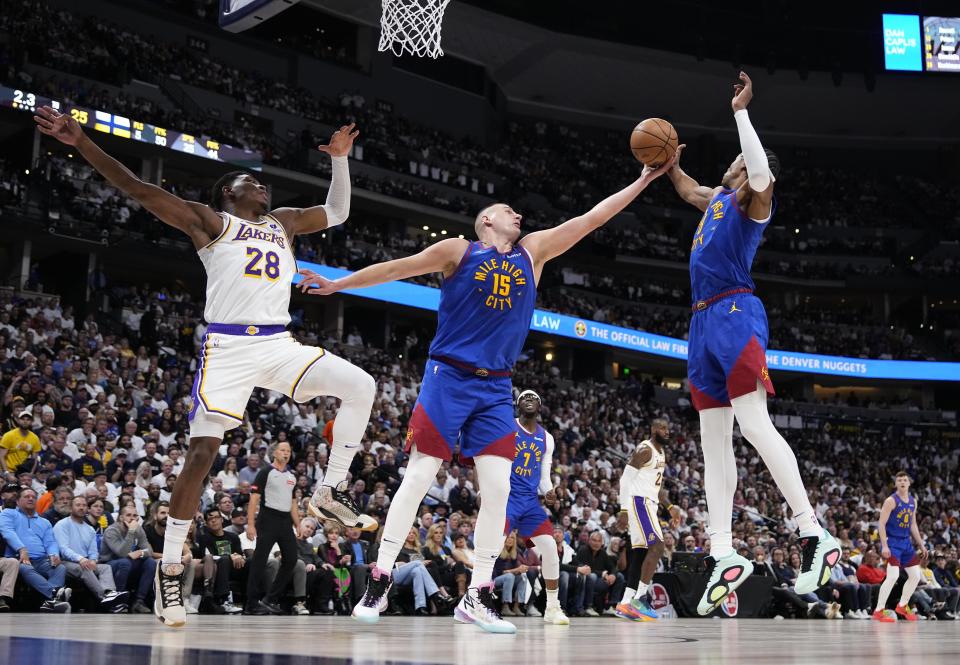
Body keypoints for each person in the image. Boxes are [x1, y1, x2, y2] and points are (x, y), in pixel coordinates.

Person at [300, 148, 677, 634]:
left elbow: (591, 218)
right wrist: (338, 284)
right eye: (507, 210)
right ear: (486, 222)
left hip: (497, 389)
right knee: (418, 477)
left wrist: (644, 179)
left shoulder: (533, 252)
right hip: (447, 378)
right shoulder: (458, 249)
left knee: (498, 489)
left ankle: (478, 594)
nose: (517, 214)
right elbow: (398, 267)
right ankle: (379, 578)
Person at [33, 105, 376, 628]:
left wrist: (341, 161)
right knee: (201, 454)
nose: (260, 185)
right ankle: (171, 570)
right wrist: (81, 141)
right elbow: (138, 189)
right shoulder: (210, 222)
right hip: (229, 348)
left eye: (261, 182)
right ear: (227, 194)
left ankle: (330, 489)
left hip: (279, 343)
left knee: (362, 385)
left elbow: (338, 211)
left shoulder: (282, 223)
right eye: (248, 181)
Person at [663, 71, 840, 614]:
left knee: (753, 422)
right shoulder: (716, 198)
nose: (733, 165)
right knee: (712, 438)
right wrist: (668, 166)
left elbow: (760, 171)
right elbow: (690, 189)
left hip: (737, 313)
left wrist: (741, 114)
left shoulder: (755, 202)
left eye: (738, 161)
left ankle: (813, 533)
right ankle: (723, 550)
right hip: (700, 323)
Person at [505, 389, 568, 624]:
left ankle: (552, 607)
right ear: (517, 405)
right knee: (491, 548)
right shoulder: (507, 426)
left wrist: (549, 491)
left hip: (530, 502)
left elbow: (544, 477)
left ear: (539, 406)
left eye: (534, 398)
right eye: (524, 398)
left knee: (550, 548)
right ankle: (474, 598)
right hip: (507, 497)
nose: (529, 400)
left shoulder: (546, 438)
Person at [615, 418, 680, 622]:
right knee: (658, 548)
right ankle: (640, 599)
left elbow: (657, 487)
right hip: (639, 503)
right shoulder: (645, 449)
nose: (666, 431)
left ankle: (625, 604)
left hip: (649, 502)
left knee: (640, 554)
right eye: (662, 428)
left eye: (668, 428)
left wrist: (669, 507)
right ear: (652, 430)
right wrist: (623, 509)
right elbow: (625, 479)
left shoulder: (661, 453)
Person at [246, 441, 301, 615]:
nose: (286, 453)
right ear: (275, 453)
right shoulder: (265, 472)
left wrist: (298, 523)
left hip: (285, 521)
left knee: (291, 559)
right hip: (268, 518)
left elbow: (293, 502)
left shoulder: (291, 476)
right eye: (283, 450)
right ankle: (252, 603)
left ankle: (270, 598)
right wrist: (251, 524)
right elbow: (254, 499)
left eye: (288, 451)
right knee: (260, 561)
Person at [0, 486, 72, 612]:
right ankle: (54, 595)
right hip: (18, 558)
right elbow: (7, 532)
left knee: (60, 567)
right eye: (26, 496)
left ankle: (50, 601)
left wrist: (53, 554)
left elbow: (50, 542)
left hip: (41, 559)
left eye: (33, 497)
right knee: (25, 568)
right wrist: (22, 549)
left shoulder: (44, 522)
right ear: (17, 501)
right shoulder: (9, 513)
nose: (30, 499)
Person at [53, 496, 128, 611]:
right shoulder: (62, 524)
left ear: (87, 509)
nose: (81, 508)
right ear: (71, 508)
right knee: (85, 567)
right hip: (65, 562)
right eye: (78, 505)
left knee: (105, 567)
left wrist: (93, 560)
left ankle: (110, 593)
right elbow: (63, 548)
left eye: (84, 505)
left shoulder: (90, 529)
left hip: (85, 561)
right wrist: (81, 559)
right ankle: (105, 597)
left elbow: (93, 551)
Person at [873, 471, 928, 622]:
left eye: (905, 480)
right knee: (893, 576)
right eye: (899, 480)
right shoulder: (891, 501)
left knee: (916, 576)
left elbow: (913, 524)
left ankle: (903, 605)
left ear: (909, 483)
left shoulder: (913, 501)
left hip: (906, 543)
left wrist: (921, 545)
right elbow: (881, 524)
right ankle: (879, 610)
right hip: (893, 543)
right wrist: (884, 545)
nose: (903, 482)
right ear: (896, 484)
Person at [99, 503, 157, 614]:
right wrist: (131, 532)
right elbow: (121, 553)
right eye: (129, 515)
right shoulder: (111, 530)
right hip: (109, 564)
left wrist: (140, 553)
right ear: (121, 517)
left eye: (135, 516)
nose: (132, 518)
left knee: (150, 562)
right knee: (124, 562)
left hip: (128, 563)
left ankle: (139, 601)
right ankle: (118, 601)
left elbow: (149, 551)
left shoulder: (138, 529)